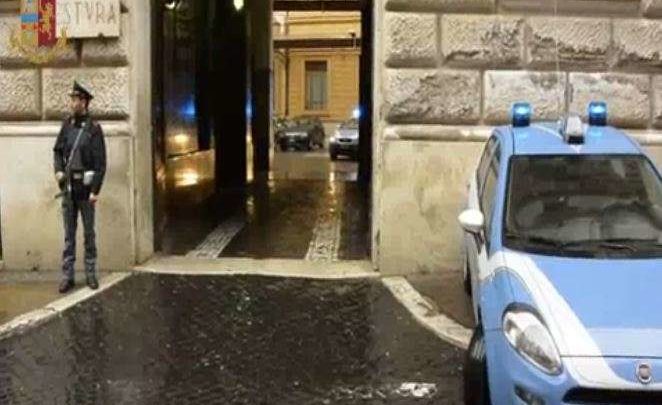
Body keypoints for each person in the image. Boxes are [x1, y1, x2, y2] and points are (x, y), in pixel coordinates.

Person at [53, 81, 107, 294]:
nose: (73, 103)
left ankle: (91, 273)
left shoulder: (94, 129)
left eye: (76, 99)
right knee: (69, 235)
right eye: (72, 99)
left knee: (89, 234)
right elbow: (58, 151)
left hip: (86, 190)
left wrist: (95, 190)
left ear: (84, 102)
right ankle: (68, 275)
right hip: (69, 188)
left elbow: (101, 163)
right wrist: (58, 171)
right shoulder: (67, 125)